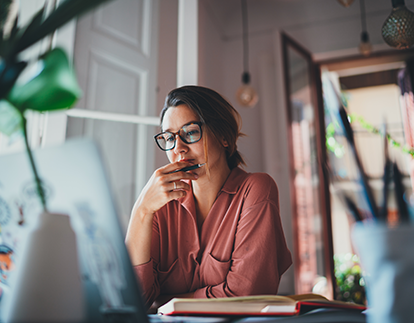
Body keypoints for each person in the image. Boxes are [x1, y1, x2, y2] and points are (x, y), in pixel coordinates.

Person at [125, 86, 292, 309]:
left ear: (224, 136)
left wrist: (165, 302)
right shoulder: (159, 205)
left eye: (191, 132)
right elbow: (133, 300)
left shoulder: (255, 190)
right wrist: (142, 210)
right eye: (169, 138)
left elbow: (245, 295)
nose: (179, 149)